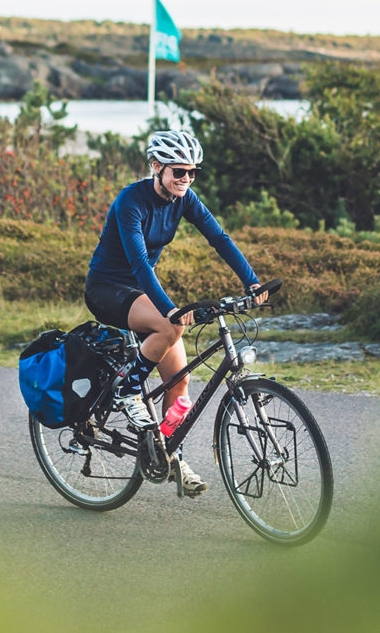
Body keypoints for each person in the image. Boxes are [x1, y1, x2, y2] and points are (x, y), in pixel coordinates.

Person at [84, 129, 264, 496]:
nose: (186, 178)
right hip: (107, 289)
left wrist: (252, 283)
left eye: (192, 172)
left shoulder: (185, 199)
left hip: (138, 291)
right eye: (178, 171)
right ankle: (128, 391)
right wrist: (170, 310)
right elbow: (138, 264)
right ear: (157, 166)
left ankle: (169, 455)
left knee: (179, 380)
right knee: (171, 329)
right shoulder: (130, 201)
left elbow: (219, 239)